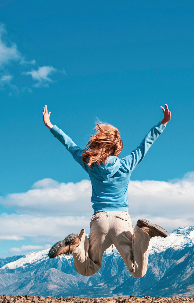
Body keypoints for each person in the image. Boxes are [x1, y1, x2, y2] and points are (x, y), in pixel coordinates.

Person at [42, 104, 171, 279]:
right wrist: (162, 123)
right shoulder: (126, 164)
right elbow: (145, 145)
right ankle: (142, 232)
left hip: (100, 221)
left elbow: (70, 145)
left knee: (88, 268)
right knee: (138, 271)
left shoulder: (90, 165)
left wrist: (51, 126)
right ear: (117, 146)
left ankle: (77, 245)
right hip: (121, 221)